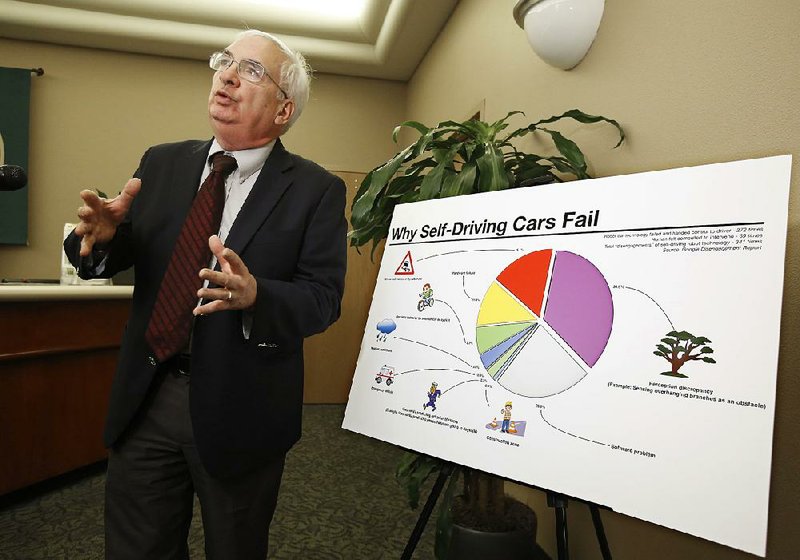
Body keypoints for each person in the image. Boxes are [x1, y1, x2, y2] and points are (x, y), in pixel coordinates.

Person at [63, 29, 347, 560]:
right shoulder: (161, 163)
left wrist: (258, 295)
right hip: (148, 394)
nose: (227, 76)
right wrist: (97, 241)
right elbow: (114, 250)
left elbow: (323, 299)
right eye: (225, 62)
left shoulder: (317, 190)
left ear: (284, 110)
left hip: (244, 407)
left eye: (252, 71)